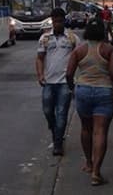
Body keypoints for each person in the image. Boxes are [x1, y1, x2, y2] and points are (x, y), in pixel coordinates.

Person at [66, 18, 113, 186]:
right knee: (100, 131)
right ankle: (96, 173)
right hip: (105, 91)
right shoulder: (109, 50)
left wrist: (73, 87)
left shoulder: (79, 50)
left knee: (86, 129)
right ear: (102, 32)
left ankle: (88, 163)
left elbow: (68, 74)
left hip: (83, 91)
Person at [36, 8, 79, 156]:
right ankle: (55, 132)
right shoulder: (45, 39)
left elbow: (79, 58)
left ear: (64, 21)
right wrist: (40, 75)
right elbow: (40, 58)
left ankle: (58, 143)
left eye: (60, 21)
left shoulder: (72, 38)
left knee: (61, 113)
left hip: (65, 83)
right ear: (52, 21)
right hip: (48, 82)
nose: (58, 24)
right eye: (55, 21)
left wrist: (76, 78)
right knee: (48, 111)